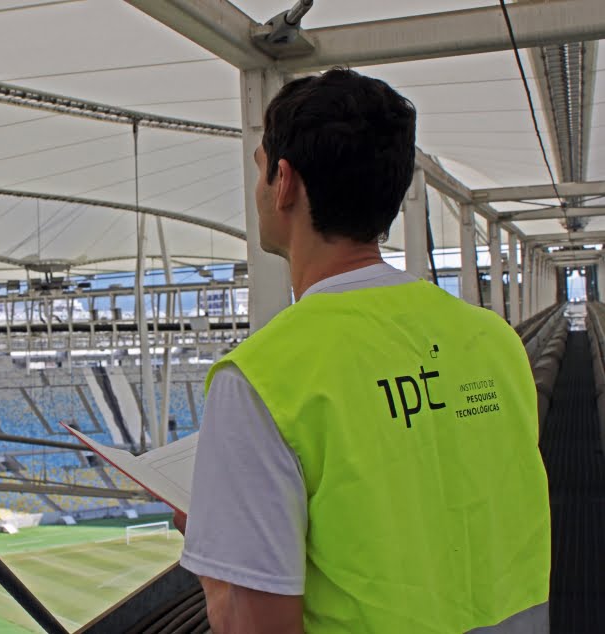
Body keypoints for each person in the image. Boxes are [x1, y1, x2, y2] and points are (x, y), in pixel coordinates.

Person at [176, 69, 551, 633]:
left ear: (284, 183)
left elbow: (252, 625)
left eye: (259, 169)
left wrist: (214, 547)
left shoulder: (263, 379)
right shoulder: (493, 341)